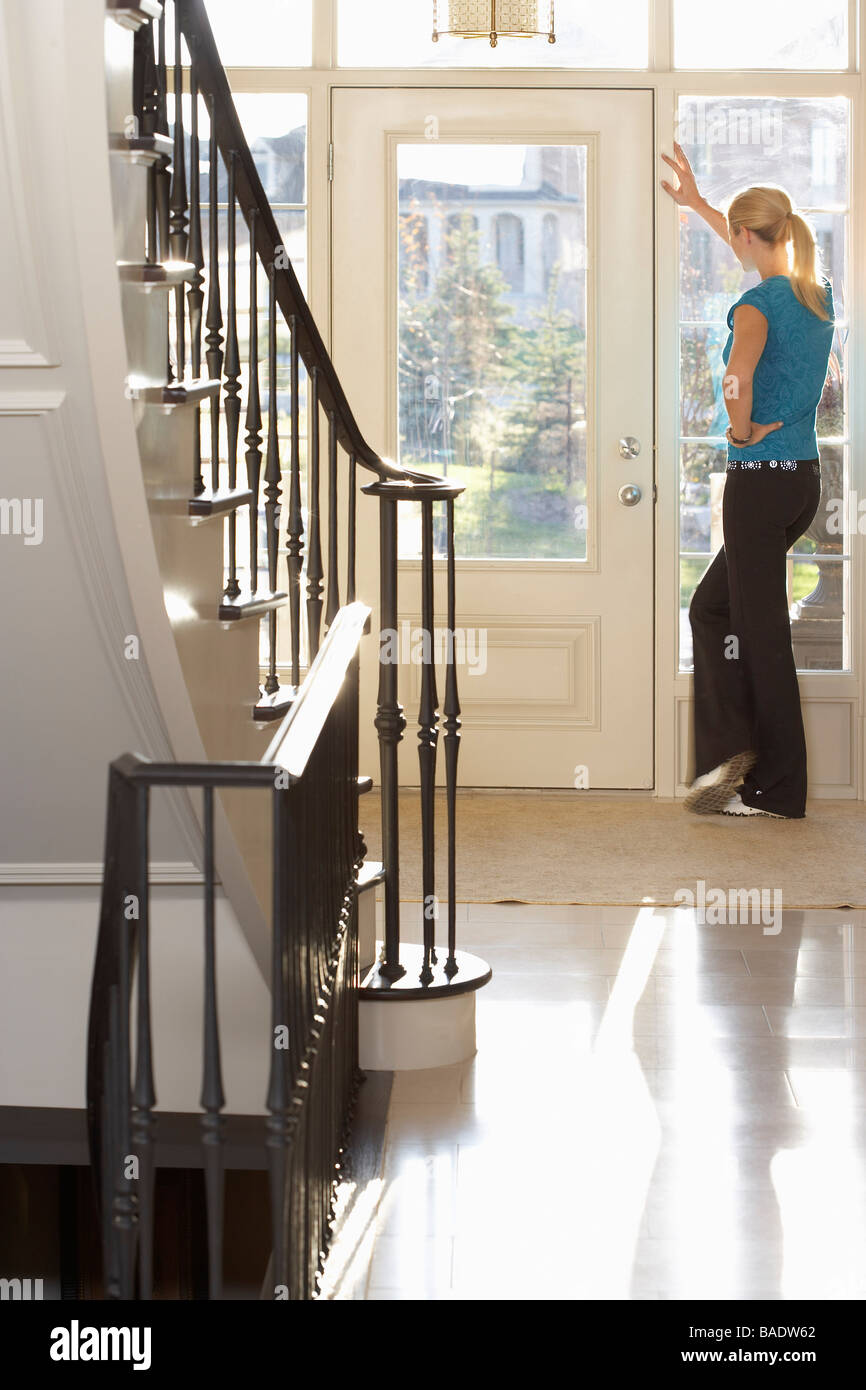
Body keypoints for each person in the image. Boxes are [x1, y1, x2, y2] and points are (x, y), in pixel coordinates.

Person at [661, 143, 835, 819]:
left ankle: (774, 789)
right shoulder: (814, 294)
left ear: (745, 237)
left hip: (759, 479)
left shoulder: (755, 307)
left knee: (761, 634)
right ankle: (731, 765)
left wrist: (738, 429)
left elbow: (738, 380)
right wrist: (704, 206)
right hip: (799, 481)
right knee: (712, 610)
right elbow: (757, 248)